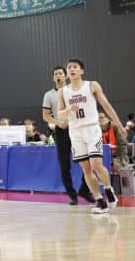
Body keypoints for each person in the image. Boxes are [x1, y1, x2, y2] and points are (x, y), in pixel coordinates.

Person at [58, 59, 124, 214]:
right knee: (86, 168)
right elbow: (60, 113)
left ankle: (109, 191)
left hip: (92, 128)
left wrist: (119, 124)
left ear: (81, 71)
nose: (72, 69)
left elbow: (106, 105)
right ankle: (100, 201)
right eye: (69, 67)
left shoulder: (92, 85)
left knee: (96, 164)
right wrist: (68, 110)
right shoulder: (63, 91)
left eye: (75, 67)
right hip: (75, 131)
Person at [42, 65, 93, 205]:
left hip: (78, 129)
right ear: (53, 78)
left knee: (89, 161)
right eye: (55, 74)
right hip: (62, 131)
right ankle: (72, 195)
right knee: (64, 165)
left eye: (60, 73)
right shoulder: (49, 95)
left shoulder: (74, 90)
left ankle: (84, 190)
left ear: (65, 76)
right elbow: (45, 116)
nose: (58, 76)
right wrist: (58, 123)